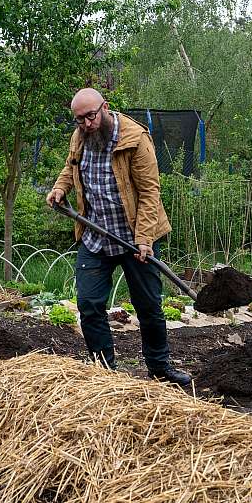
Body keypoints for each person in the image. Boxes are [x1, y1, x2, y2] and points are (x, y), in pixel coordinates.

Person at [46, 88, 192, 386]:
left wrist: (144, 239)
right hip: (96, 237)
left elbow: (150, 193)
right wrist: (61, 188)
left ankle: (159, 366)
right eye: (79, 120)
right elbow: (70, 167)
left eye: (91, 116)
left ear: (105, 108)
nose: (87, 124)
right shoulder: (79, 137)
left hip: (135, 237)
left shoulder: (135, 138)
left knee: (149, 304)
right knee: (88, 304)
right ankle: (105, 373)